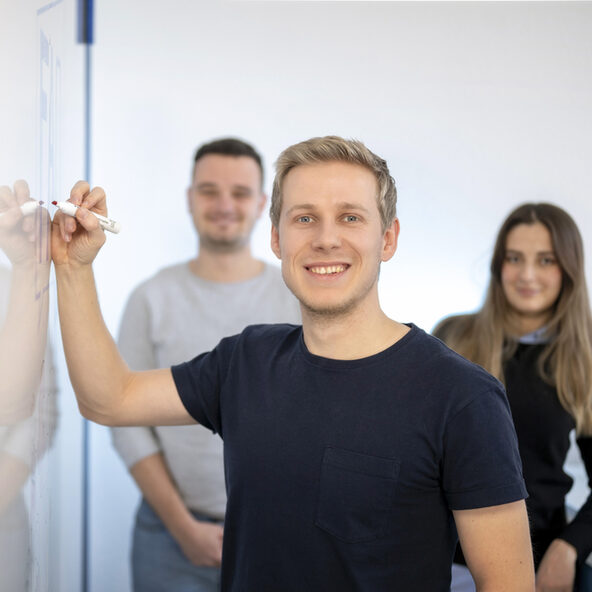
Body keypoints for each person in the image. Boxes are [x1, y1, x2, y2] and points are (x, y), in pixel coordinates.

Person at [52, 136, 535, 591]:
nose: (326, 239)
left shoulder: (461, 397)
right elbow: (108, 399)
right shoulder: (245, 362)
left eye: (350, 217)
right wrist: (74, 268)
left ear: (388, 239)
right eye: (305, 218)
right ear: (277, 239)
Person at [110, 138, 300, 591]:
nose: (224, 206)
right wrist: (182, 527)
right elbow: (126, 423)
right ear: (190, 198)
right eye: (209, 191)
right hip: (169, 534)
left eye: (240, 193)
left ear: (262, 205)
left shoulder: (297, 297)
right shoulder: (151, 298)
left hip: (281, 531)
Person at [434, 203, 592, 592]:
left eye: (545, 260)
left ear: (569, 269)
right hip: (445, 565)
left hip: (538, 568)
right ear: (498, 265)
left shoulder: (583, 360)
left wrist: (568, 548)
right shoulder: (453, 338)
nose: (527, 275)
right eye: (515, 258)